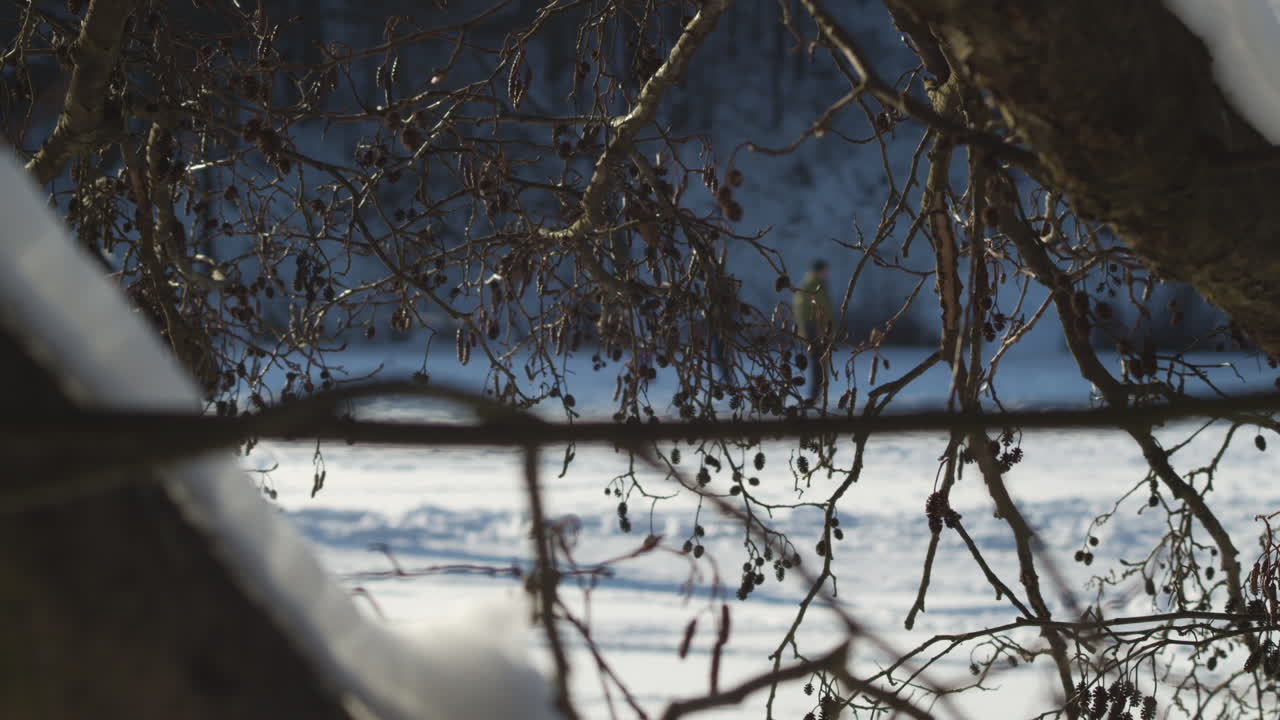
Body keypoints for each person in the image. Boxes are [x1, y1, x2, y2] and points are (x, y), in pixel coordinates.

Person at [792, 259, 834, 402]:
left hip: (821, 330)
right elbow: (804, 310)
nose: (827, 273)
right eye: (824, 270)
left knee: (821, 364)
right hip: (815, 331)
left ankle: (817, 395)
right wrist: (812, 328)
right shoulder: (811, 286)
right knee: (818, 364)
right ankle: (814, 395)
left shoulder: (819, 285)